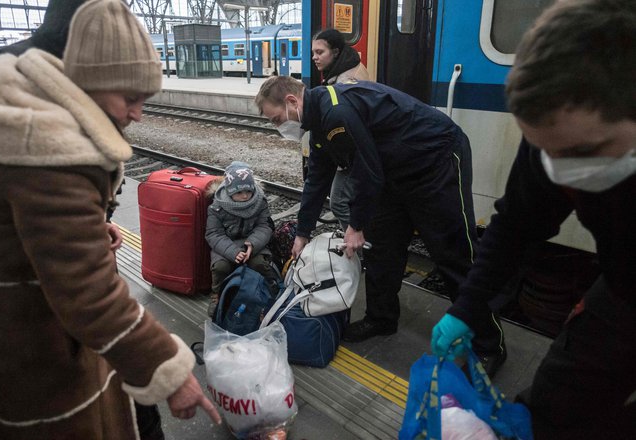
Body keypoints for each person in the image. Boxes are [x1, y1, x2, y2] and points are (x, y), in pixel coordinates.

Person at [0, 0, 221, 438]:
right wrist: (168, 370)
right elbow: (89, 294)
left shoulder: (12, 96)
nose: (137, 114)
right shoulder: (49, 149)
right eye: (130, 98)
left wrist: (82, 225)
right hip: (37, 351)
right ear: (86, 75)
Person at [430, 0, 635, 437]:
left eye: (582, 153)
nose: (560, 170)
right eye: (546, 152)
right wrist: (467, 307)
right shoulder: (557, 137)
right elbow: (517, 224)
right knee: (551, 410)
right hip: (622, 290)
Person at [255, 76, 505, 374]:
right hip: (393, 172)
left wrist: (355, 225)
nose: (278, 126)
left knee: (453, 253)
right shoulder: (318, 121)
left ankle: (490, 346)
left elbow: (366, 171)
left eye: (276, 119)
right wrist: (303, 233)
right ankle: (381, 318)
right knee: (383, 249)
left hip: (434, 160)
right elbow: (317, 178)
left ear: (292, 102)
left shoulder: (336, 113)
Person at [310, 28, 370, 229]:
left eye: (320, 53)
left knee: (338, 201)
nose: (314, 58)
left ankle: (358, 244)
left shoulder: (346, 81)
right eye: (313, 53)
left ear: (335, 52)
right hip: (357, 153)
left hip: (358, 153)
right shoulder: (343, 68)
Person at [205, 161, 276, 318]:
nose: (245, 196)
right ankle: (217, 294)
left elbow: (264, 226)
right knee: (220, 267)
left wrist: (253, 243)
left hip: (253, 243)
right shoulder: (217, 206)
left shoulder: (259, 201)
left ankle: (268, 288)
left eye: (248, 191)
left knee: (259, 264)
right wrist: (232, 252)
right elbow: (213, 234)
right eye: (239, 192)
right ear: (230, 191)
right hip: (226, 245)